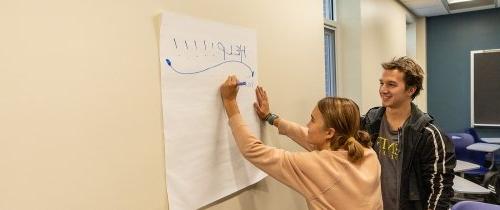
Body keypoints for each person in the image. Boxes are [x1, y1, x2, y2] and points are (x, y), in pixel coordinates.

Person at [220, 75, 383, 210]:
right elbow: (307, 135)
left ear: (329, 133)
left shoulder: (316, 165)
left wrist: (230, 103)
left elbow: (252, 149)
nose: (307, 125)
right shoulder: (369, 154)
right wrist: (271, 118)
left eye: (312, 120)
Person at [361, 56, 456, 210]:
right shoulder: (369, 122)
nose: (383, 90)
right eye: (381, 83)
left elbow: (439, 191)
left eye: (391, 85)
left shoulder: (429, 135)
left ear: (411, 90)